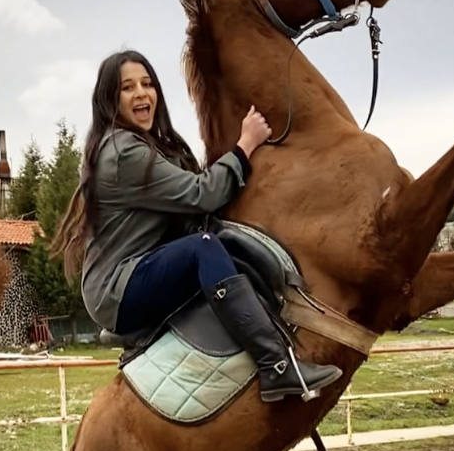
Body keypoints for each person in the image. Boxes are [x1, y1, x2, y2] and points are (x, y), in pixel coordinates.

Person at [52, 49, 341, 403]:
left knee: (223, 244)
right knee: (205, 246)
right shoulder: (125, 152)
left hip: (142, 269)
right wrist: (245, 144)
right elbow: (203, 194)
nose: (141, 93)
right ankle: (276, 366)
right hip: (118, 289)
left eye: (147, 84)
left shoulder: (153, 146)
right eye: (127, 88)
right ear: (111, 100)